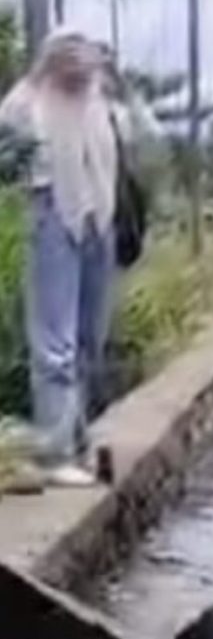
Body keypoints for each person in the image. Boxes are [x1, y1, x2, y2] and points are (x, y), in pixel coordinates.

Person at [0, 29, 124, 487]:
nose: (80, 71)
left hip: (99, 219)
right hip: (52, 216)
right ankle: (53, 454)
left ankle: (77, 441)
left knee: (91, 339)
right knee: (56, 342)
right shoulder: (25, 103)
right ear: (53, 62)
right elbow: (7, 159)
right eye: (72, 62)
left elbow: (123, 151)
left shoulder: (97, 101)